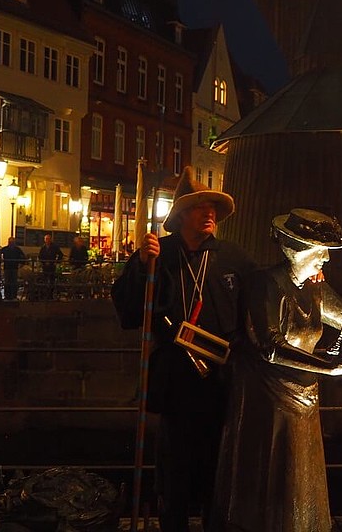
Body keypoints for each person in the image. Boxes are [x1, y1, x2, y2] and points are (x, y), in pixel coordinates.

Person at [212, 208, 342, 532]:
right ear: (294, 248)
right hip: (267, 406)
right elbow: (269, 345)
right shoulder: (263, 284)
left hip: (304, 402)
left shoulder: (316, 290)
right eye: (319, 250)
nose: (325, 259)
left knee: (300, 486)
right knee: (266, 488)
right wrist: (330, 368)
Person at [112, 166, 255, 532]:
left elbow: (266, 296)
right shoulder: (160, 253)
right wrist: (142, 265)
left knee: (217, 470)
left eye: (212, 208)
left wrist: (309, 279)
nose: (208, 214)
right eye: (198, 207)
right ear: (180, 215)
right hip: (176, 380)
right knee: (173, 472)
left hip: (221, 382)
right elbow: (129, 309)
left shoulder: (233, 258)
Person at [38, 233, 63, 299]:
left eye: (48, 239)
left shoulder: (55, 247)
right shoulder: (43, 248)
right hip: (45, 266)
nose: (47, 240)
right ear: (44, 240)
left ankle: (51, 295)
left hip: (52, 266)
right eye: (46, 239)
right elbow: (40, 256)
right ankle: (45, 294)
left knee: (52, 280)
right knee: (45, 280)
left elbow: (60, 254)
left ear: (51, 240)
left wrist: (56, 262)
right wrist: (43, 262)